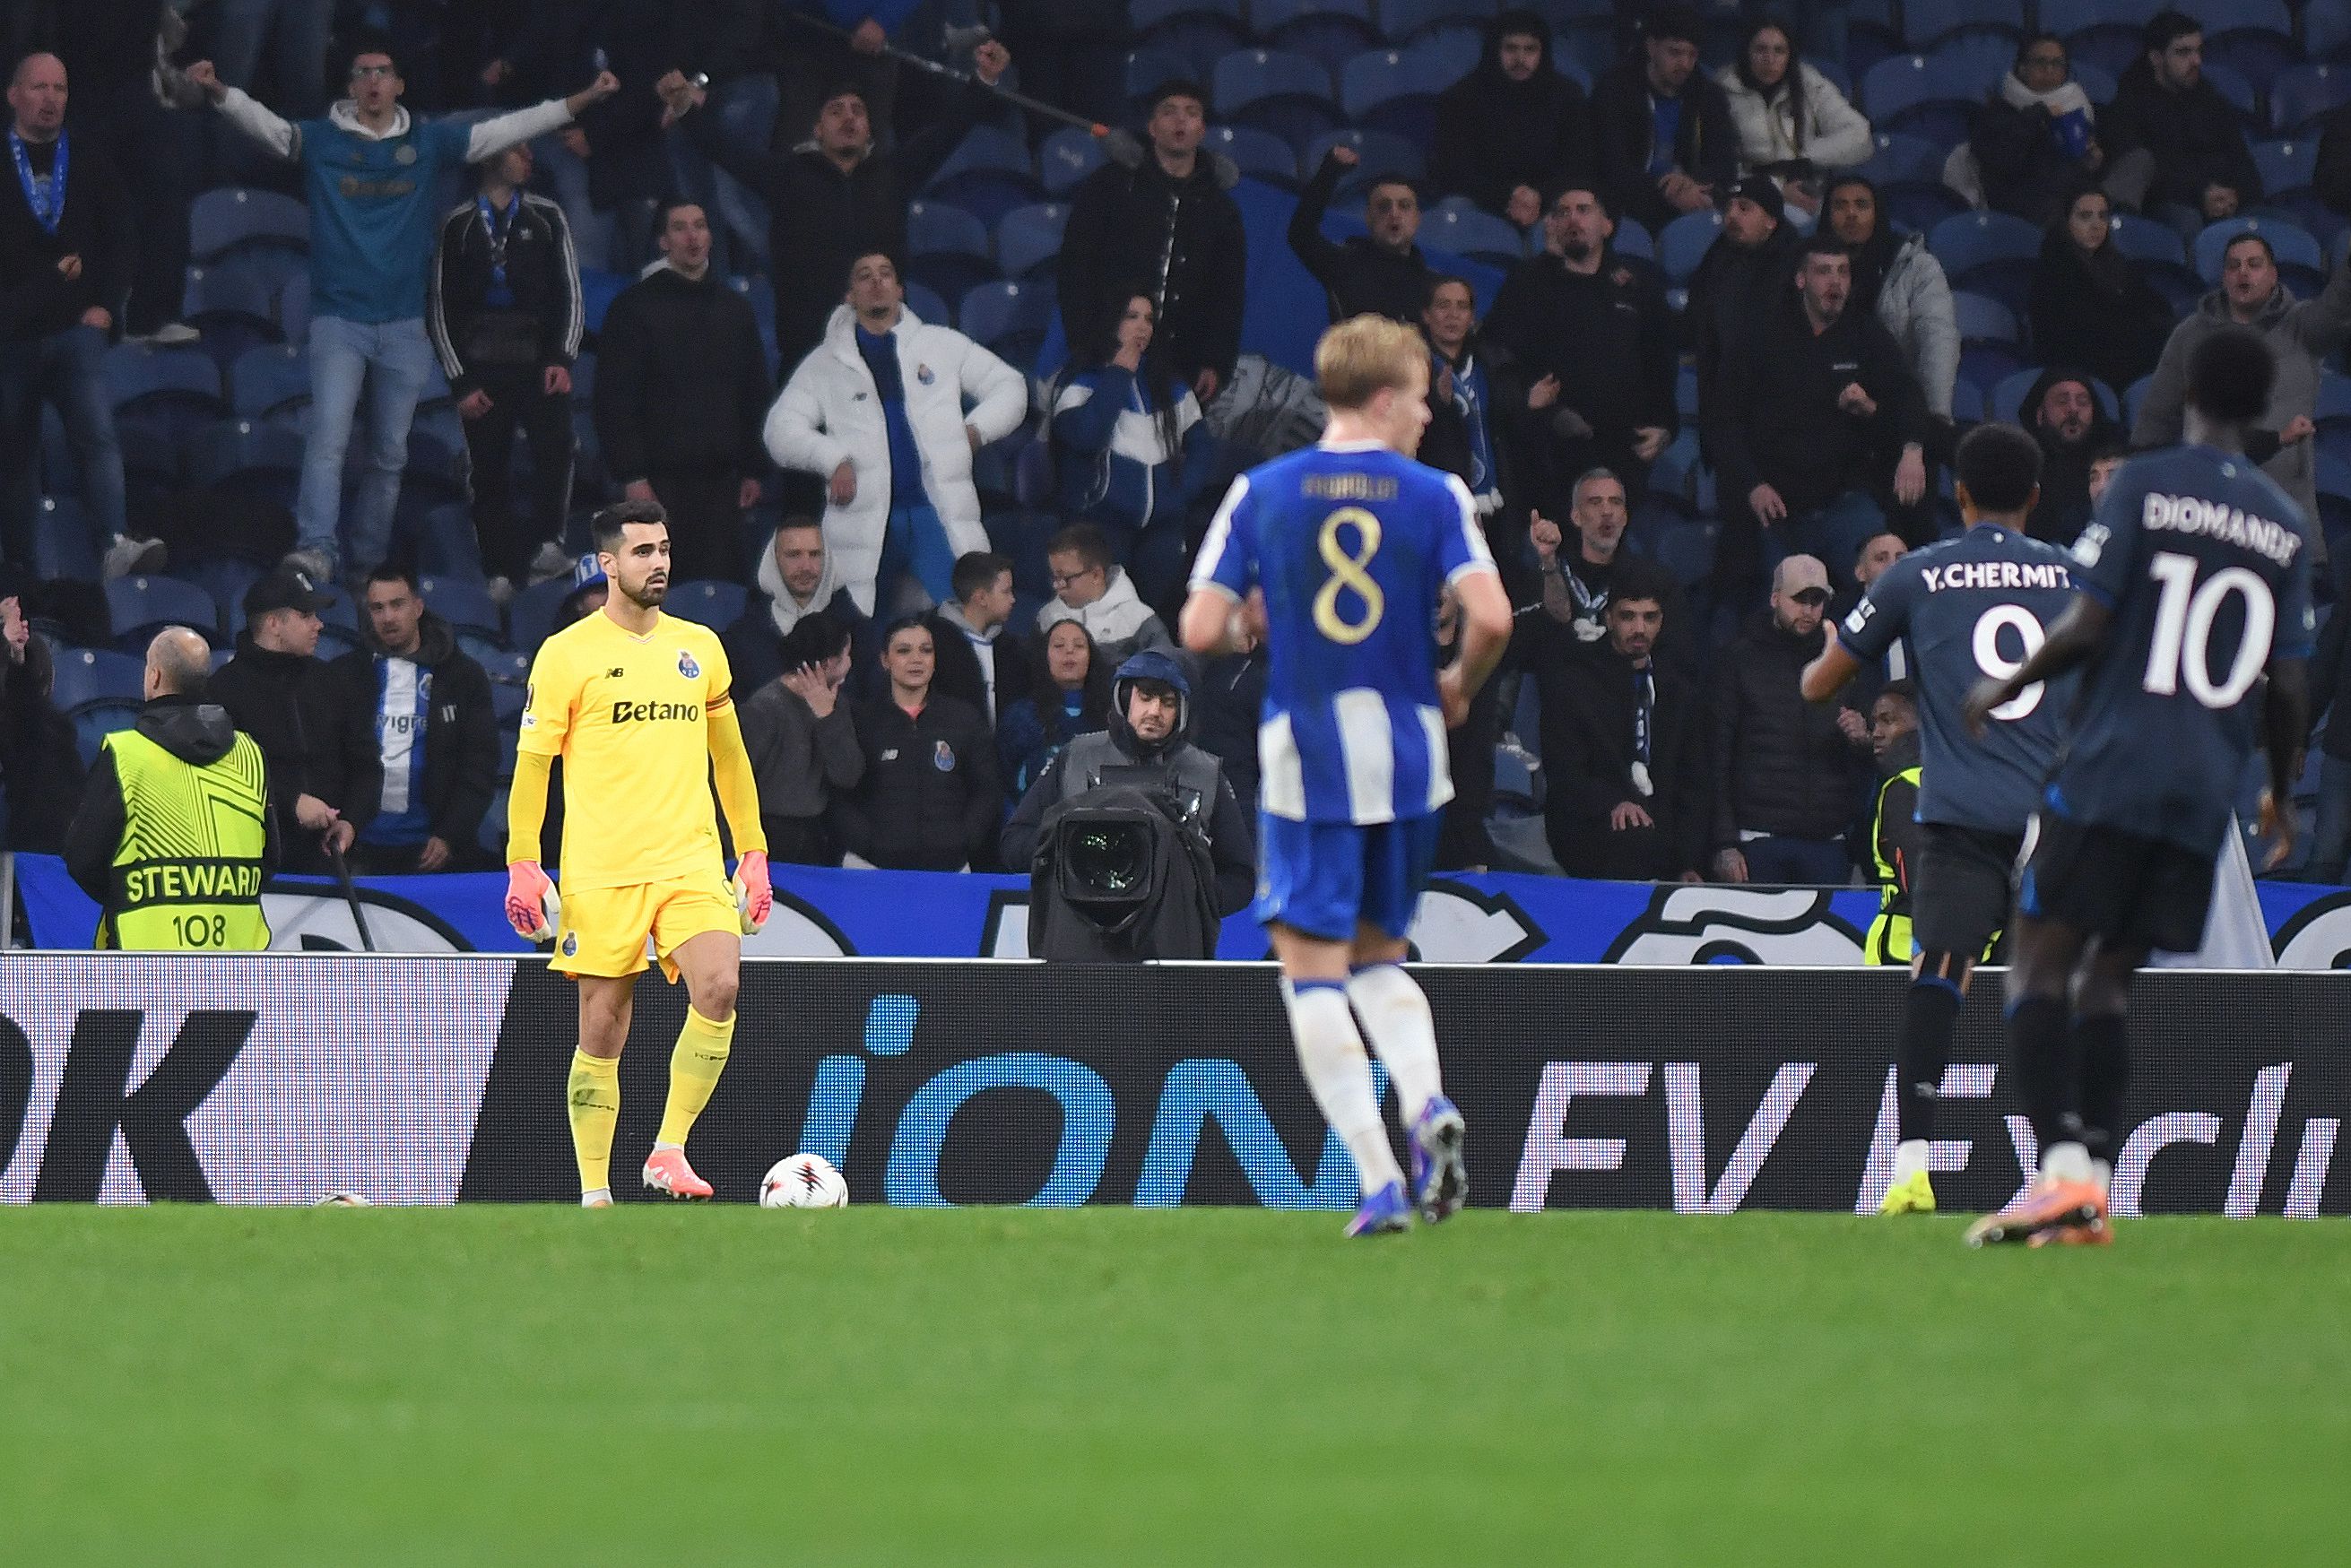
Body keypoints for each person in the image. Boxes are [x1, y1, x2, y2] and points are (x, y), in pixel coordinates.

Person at [1961, 326, 2312, 1247]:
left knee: (2039, 955)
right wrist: (2279, 788)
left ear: (2189, 389)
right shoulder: (2283, 524)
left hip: (2116, 763)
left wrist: (2002, 683)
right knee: (2111, 976)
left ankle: (2061, 1175)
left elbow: (2088, 623)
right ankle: (2097, 1187)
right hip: (2206, 788)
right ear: (2263, 403)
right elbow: (2291, 681)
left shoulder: (2149, 485)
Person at [1178, 314, 1513, 1238]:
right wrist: (1456, 687)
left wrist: (1252, 613)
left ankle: (1377, 1180)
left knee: (1311, 970)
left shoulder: (1263, 492)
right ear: (1380, 397)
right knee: (1379, 955)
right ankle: (1427, 1103)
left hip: (1311, 752)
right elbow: (1492, 616)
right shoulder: (1436, 493)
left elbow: (1200, 632)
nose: (1426, 422)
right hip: (1410, 751)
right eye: (1417, 402)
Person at [188, 39, 619, 584]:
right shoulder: (322, 140)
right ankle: (317, 548)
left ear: (399, 85)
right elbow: (270, 128)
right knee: (329, 439)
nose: (372, 81)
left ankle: (366, 563)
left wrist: (583, 97)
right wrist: (220, 92)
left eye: (383, 71)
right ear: (351, 87)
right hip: (338, 320)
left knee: (391, 455)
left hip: (403, 325)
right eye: (362, 71)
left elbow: (510, 127)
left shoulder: (428, 141)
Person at [1802, 423, 2082, 1215]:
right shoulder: (2073, 572)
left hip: (1964, 815)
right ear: (2035, 494)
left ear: (1957, 494)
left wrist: (1829, 657)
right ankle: (2068, 1170)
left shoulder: (1916, 573)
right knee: (2052, 982)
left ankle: (1912, 1167)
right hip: (2055, 814)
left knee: (1941, 971)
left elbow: (1820, 686)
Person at [503, 498, 774, 1208]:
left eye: (664, 548)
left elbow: (732, 758)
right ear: (607, 563)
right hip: (602, 868)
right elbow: (533, 765)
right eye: (643, 552)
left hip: (690, 859)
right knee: (603, 1027)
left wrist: (752, 851)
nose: (659, 563)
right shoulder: (567, 655)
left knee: (720, 984)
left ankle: (668, 1149)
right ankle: (595, 1191)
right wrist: (523, 860)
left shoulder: (700, 647)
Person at [655, 41, 1012, 372]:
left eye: (858, 111)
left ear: (870, 130)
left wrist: (983, 80)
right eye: (836, 110)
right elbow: (723, 149)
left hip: (883, 351)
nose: (848, 118)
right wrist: (685, 107)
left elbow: (948, 132)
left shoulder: (893, 174)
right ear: (818, 129)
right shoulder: (787, 176)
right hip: (808, 356)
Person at [767, 250, 1027, 613]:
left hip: (934, 512)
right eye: (865, 276)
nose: (877, 282)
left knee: (965, 619)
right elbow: (780, 429)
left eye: (885, 274)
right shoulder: (824, 365)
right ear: (849, 296)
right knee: (863, 632)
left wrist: (976, 431)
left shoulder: (942, 345)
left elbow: (1010, 386)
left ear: (900, 289)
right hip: (865, 517)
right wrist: (832, 459)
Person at [0, 53, 155, 582]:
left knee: (96, 433)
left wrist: (106, 307)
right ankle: (18, 565)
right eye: (39, 87)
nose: (50, 98)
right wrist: (46, 282)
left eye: (60, 88)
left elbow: (121, 237)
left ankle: (114, 542)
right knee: (14, 452)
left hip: (75, 331)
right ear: (13, 95)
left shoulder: (89, 156)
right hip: (10, 337)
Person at [1707, 238, 1930, 596]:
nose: (1835, 282)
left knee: (1885, 582)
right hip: (1778, 504)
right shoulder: (1760, 337)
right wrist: (1753, 486)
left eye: (1843, 272)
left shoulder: (1865, 334)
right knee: (1781, 599)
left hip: (1846, 498)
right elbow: (1725, 421)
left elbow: (1908, 396)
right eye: (1824, 271)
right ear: (1800, 280)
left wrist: (1912, 449)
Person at [429, 140, 584, 600]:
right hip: (482, 364)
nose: (529, 158)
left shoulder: (548, 215)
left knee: (556, 448)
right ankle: (496, 567)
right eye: (517, 150)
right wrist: (461, 381)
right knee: (487, 466)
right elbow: (441, 308)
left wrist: (562, 357)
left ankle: (547, 548)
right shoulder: (457, 224)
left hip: (539, 360)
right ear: (490, 157)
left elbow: (570, 293)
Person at [593, 198, 773, 585]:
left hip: (723, 485)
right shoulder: (633, 309)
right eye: (680, 227)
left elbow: (754, 393)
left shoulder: (735, 309)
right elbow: (616, 400)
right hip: (659, 484)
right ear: (663, 241)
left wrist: (754, 467)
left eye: (700, 225)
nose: (692, 237)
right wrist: (633, 474)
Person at [63, 627, 277, 949]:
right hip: (235, 962)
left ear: (155, 676)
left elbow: (83, 858)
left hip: (145, 961)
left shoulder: (128, 754)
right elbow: (270, 856)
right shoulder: (250, 755)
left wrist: (132, 895)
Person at [2134, 230, 2351, 543]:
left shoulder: (2302, 326)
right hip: (2208, 513)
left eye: (2254, 264)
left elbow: (2338, 309)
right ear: (2223, 276)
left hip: (2286, 516)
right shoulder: (2190, 335)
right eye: (2234, 265)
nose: (2243, 272)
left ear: (2274, 273)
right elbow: (2156, 419)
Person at [999, 648, 1254, 914]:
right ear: (1124, 699)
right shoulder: (1074, 757)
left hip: (1173, 940)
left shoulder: (1207, 773)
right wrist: (1068, 846)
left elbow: (1241, 876)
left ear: (1183, 711)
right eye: (1145, 697)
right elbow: (1014, 845)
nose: (1155, 711)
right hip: (1078, 930)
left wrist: (1192, 903)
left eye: (1167, 702)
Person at [1483, 184, 1676, 516]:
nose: (1573, 219)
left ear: (1607, 225)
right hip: (1546, 456)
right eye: (1562, 212)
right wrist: (1543, 411)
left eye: (1584, 210)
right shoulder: (1527, 284)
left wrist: (1666, 426)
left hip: (1622, 454)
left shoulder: (1636, 286)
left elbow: (1661, 364)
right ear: (1553, 226)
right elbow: (1498, 356)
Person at [1058, 78, 1246, 403]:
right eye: (1169, 111)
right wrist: (1084, 341)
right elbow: (1076, 265)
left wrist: (1215, 362)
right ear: (1152, 127)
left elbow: (1227, 294)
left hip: (1180, 366)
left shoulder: (1221, 210)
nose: (1180, 120)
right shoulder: (1110, 187)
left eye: (1191, 113)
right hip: (1105, 353)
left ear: (1202, 130)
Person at [308, 563, 500, 875]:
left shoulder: (463, 677)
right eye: (377, 608)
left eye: (397, 605)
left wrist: (450, 834)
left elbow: (479, 763)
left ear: (418, 607)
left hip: (435, 850)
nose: (388, 617)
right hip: (359, 848)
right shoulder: (344, 675)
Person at [1710, 554, 1868, 884]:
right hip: (1758, 840)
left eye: (1817, 600)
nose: (1809, 610)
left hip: (1828, 841)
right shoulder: (1738, 661)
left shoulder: (1843, 662)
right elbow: (1716, 756)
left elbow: (1859, 761)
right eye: (1799, 599)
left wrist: (1859, 739)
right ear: (1775, 598)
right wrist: (1724, 843)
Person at [1537, 586, 1708, 880]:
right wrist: (1613, 802)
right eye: (1628, 616)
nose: (1640, 628)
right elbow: (1565, 772)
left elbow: (1693, 782)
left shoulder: (1679, 691)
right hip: (1590, 829)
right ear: (1609, 619)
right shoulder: (1574, 684)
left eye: (1650, 617)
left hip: (1662, 835)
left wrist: (1688, 862)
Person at [207, 564, 351, 872]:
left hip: (330, 860)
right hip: (253, 863)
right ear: (274, 624)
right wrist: (289, 802)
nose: (319, 625)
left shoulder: (330, 682)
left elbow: (362, 761)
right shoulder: (223, 689)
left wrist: (351, 821)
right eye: (306, 616)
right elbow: (220, 774)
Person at [834, 615, 1000, 871]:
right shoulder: (860, 721)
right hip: (872, 869)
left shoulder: (963, 718)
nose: (916, 659)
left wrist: (963, 840)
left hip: (950, 869)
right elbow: (839, 793)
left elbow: (987, 790)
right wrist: (868, 844)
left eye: (926, 650)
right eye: (903, 651)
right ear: (885, 660)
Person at [1048, 290, 1210, 543]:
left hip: (1163, 527)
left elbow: (1202, 445)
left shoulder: (1169, 382)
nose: (1142, 327)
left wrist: (1181, 492)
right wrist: (1119, 375)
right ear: (1111, 321)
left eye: (1148, 319)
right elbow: (1086, 438)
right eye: (1132, 317)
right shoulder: (1080, 378)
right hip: (1099, 524)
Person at [2100, 11, 2262, 238]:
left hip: (2221, 201)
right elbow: (2139, 172)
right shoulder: (2129, 105)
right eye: (2183, 52)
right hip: (2164, 206)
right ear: (2156, 58)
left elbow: (2244, 163)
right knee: (2187, 221)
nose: (2196, 61)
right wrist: (2201, 194)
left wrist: (2234, 194)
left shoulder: (2213, 101)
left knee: (2284, 222)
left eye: (2198, 51)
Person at [1428, 9, 1592, 228]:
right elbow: (1456, 170)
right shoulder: (1461, 98)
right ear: (1495, 50)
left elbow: (1578, 165)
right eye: (1511, 49)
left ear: (1543, 52)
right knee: (1454, 207)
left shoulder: (1568, 96)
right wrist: (1510, 195)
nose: (1520, 59)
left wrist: (1538, 195)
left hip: (1550, 199)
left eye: (1530, 49)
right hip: (1482, 200)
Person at [1523, 468, 1693, 676]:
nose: (1607, 511)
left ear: (1624, 517)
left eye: (1615, 502)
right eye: (1595, 502)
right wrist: (1549, 561)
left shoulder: (1657, 582)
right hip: (1564, 696)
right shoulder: (1552, 574)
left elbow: (1677, 656)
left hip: (1627, 695)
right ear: (1576, 516)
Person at [1822, 175, 1958, 429]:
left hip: (1896, 406)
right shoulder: (1805, 269)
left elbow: (1937, 338)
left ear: (1878, 212)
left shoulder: (1915, 266)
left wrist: (1934, 417)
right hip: (1824, 408)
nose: (1851, 213)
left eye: (1861, 205)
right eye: (1840, 206)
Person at [1590, 4, 1737, 233]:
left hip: (1693, 201)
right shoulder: (1614, 90)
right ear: (1651, 47)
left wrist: (1689, 183)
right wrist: (1666, 189)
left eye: (1692, 55)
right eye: (1675, 52)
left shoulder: (1708, 95)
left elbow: (1725, 165)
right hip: (1629, 205)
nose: (1685, 64)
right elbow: (1611, 168)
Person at [739, 607, 863, 866]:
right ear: (829, 664)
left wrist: (827, 717)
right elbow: (735, 781)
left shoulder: (837, 704)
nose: (851, 663)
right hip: (767, 840)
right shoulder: (765, 708)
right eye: (847, 655)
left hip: (819, 836)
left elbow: (848, 776)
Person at [2026, 184, 2174, 400]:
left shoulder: (2117, 264)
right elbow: (2071, 336)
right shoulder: (2052, 271)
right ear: (2067, 221)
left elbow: (2155, 304)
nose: (2096, 225)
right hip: (2080, 372)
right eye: (2085, 216)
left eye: (2102, 216)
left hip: (2125, 362)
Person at [1681, 174, 1798, 442]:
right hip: (1724, 407)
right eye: (1729, 207)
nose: (1732, 215)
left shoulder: (1796, 266)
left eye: (1744, 208)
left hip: (1778, 414)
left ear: (1771, 221)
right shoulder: (1717, 256)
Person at [1714, 16, 1871, 214]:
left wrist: (1805, 158)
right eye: (1761, 50)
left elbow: (1859, 134)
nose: (1770, 60)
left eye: (1779, 51)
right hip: (1748, 198)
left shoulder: (1808, 82)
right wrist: (1778, 190)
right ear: (1746, 53)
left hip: (1808, 190)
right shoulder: (1723, 89)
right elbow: (1723, 166)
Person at [1974, 34, 2113, 226]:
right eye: (2040, 62)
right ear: (2022, 68)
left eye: (2057, 63)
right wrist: (2037, 115)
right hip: (2024, 212)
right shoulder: (1998, 113)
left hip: (2073, 205)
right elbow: (2003, 161)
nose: (2049, 70)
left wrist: (2093, 164)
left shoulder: (2077, 109)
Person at [723, 516, 866, 697]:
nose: (806, 566)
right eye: (794, 555)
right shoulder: (741, 639)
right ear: (773, 560)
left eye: (814, 554)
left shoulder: (858, 633)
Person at [1288, 151, 1435, 325]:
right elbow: (1301, 233)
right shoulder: (1345, 263)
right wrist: (1330, 170)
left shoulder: (1433, 286)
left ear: (1417, 218)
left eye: (1404, 206)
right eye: (1383, 206)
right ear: (1368, 217)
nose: (1394, 214)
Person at [1417, 276, 1514, 528]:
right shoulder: (1412, 369)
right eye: (1443, 305)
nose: (1453, 315)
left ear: (1472, 318)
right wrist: (1439, 406)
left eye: (1462, 307)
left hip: (1495, 504)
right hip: (1437, 503)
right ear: (1426, 315)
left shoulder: (1490, 366)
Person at [0, 590, 82, 852]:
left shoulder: (53, 733)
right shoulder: (28, 726)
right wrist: (15, 655)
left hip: (48, 852)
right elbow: (22, 706)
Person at [997, 617, 1111, 800]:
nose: (1069, 651)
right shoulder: (1020, 716)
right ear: (1045, 656)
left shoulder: (1112, 717)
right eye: (1059, 646)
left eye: (1079, 646)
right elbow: (1003, 785)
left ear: (1091, 657)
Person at [1037, 522, 1172, 667]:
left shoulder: (1139, 620)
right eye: (1055, 578)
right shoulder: (1046, 618)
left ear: (1096, 575)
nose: (1057, 586)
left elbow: (1166, 674)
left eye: (1065, 579)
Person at [1856, 680, 1922, 966]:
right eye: (1875, 724)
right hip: (1970, 950)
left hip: (1903, 954)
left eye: (1888, 721)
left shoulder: (1903, 788)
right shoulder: (1957, 782)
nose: (1876, 734)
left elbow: (1917, 880)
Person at [2022, 367, 2123, 548]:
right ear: (2040, 415)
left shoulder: (2117, 455)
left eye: (2083, 402)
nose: (2073, 409)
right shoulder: (2022, 463)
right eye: (2062, 402)